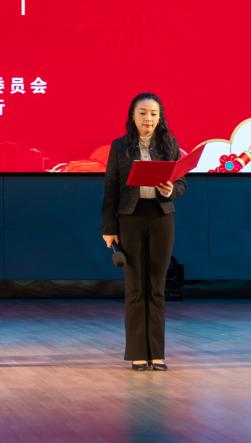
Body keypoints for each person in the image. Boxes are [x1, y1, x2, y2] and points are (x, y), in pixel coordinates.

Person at [100, 92, 186, 371]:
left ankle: (157, 354)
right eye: (143, 113)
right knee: (135, 287)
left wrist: (171, 190)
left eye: (153, 114)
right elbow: (110, 188)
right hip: (130, 219)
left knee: (156, 288)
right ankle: (138, 353)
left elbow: (182, 183)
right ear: (132, 116)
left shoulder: (169, 144)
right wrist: (109, 228)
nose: (148, 118)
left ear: (160, 118)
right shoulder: (120, 146)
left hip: (161, 218)